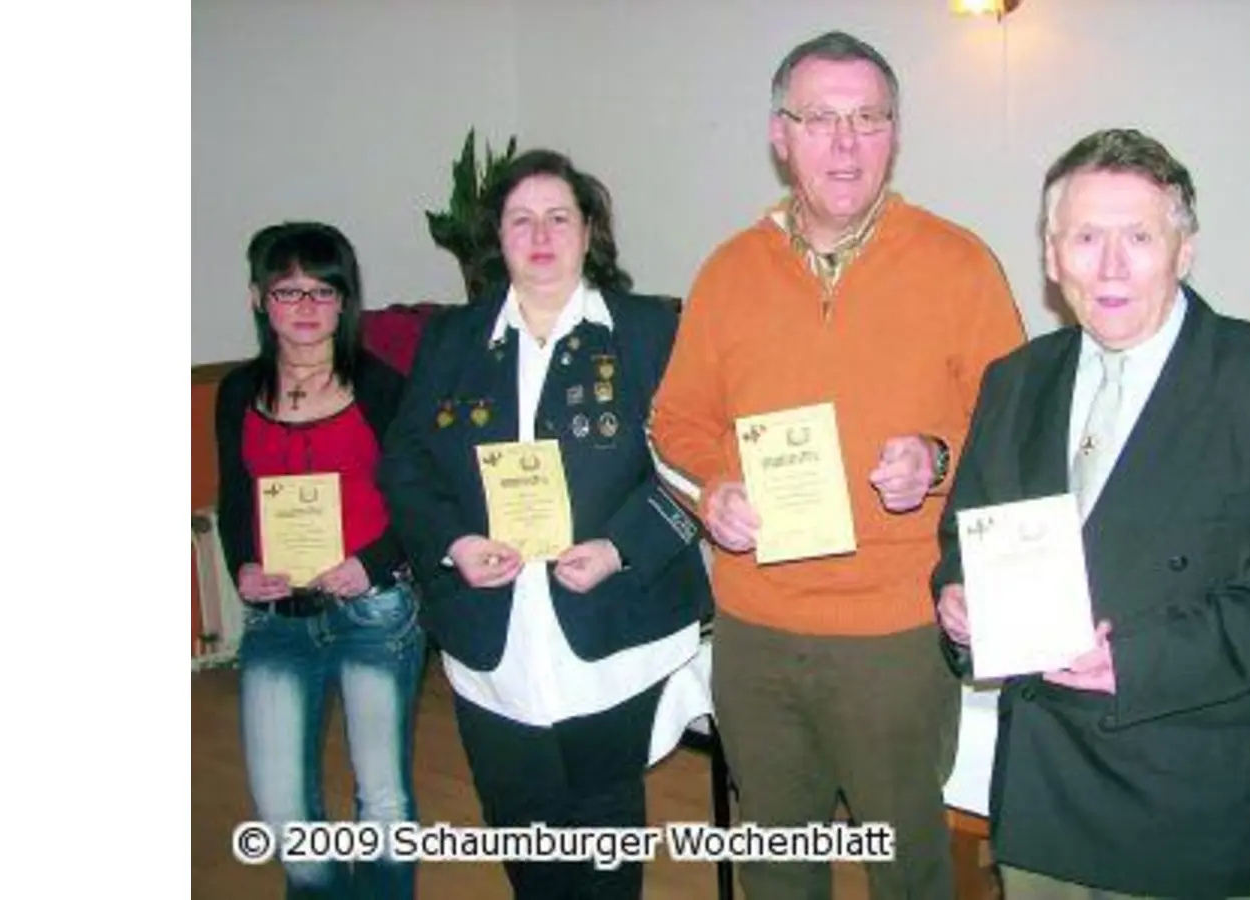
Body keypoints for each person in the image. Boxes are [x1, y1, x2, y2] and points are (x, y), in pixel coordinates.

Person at [932, 128, 1250, 899]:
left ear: (1184, 250)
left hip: (1188, 801)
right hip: (1044, 796)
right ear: (1052, 256)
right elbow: (964, 529)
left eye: (1139, 237)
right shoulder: (1016, 379)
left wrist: (1139, 661)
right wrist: (957, 596)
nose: (1111, 265)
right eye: (1085, 237)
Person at [649, 30, 1026, 900]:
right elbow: (677, 421)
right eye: (820, 118)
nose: (846, 143)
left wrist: (937, 458)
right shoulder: (728, 271)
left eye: (869, 118)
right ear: (779, 134)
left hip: (896, 633)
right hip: (755, 629)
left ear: (896, 132)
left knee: (909, 867)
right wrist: (714, 490)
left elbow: (1015, 428)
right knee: (778, 863)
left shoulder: (960, 265)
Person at [377, 148, 712, 900]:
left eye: (559, 217)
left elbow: (694, 465)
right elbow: (406, 462)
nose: (540, 234)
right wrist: (455, 543)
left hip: (612, 625)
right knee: (520, 822)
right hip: (489, 631)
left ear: (589, 232)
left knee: (604, 821)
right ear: (496, 236)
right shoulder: (452, 338)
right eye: (520, 219)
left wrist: (620, 547)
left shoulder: (648, 330)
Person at [215, 221, 425, 899]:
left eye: (323, 291)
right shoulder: (237, 391)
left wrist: (374, 563)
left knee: (383, 799)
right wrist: (243, 565)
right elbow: (235, 497)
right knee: (283, 810)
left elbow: (419, 497)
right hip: (278, 619)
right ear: (258, 298)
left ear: (344, 301)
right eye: (288, 291)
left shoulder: (383, 387)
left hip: (375, 612)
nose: (306, 307)